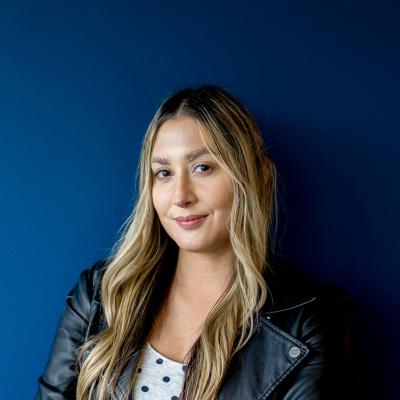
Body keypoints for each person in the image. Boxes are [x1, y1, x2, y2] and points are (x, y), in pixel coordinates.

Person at [35, 85, 350, 400]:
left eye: (203, 168)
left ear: (258, 174)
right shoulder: (100, 295)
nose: (181, 196)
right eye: (164, 173)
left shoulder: (305, 322)